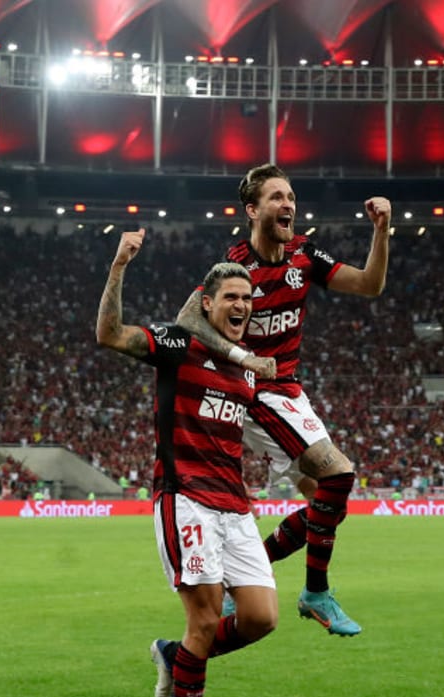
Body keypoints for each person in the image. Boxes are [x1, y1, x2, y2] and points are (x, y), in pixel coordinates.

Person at [176, 163, 391, 637]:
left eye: (291, 196)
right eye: (276, 197)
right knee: (338, 472)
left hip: (291, 391)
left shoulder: (303, 255)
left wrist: (382, 231)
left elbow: (369, 285)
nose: (288, 204)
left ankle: (247, 576)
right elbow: (187, 320)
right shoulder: (234, 269)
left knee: (329, 504)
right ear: (252, 210)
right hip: (253, 394)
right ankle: (315, 591)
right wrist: (241, 358)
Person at [97, 229, 278, 697]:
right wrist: (119, 266)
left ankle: (174, 658)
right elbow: (109, 334)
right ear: (208, 303)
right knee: (203, 618)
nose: (241, 305)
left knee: (260, 618)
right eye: (231, 297)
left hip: (236, 504)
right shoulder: (179, 344)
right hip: (187, 498)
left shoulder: (245, 368)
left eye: (247, 299)